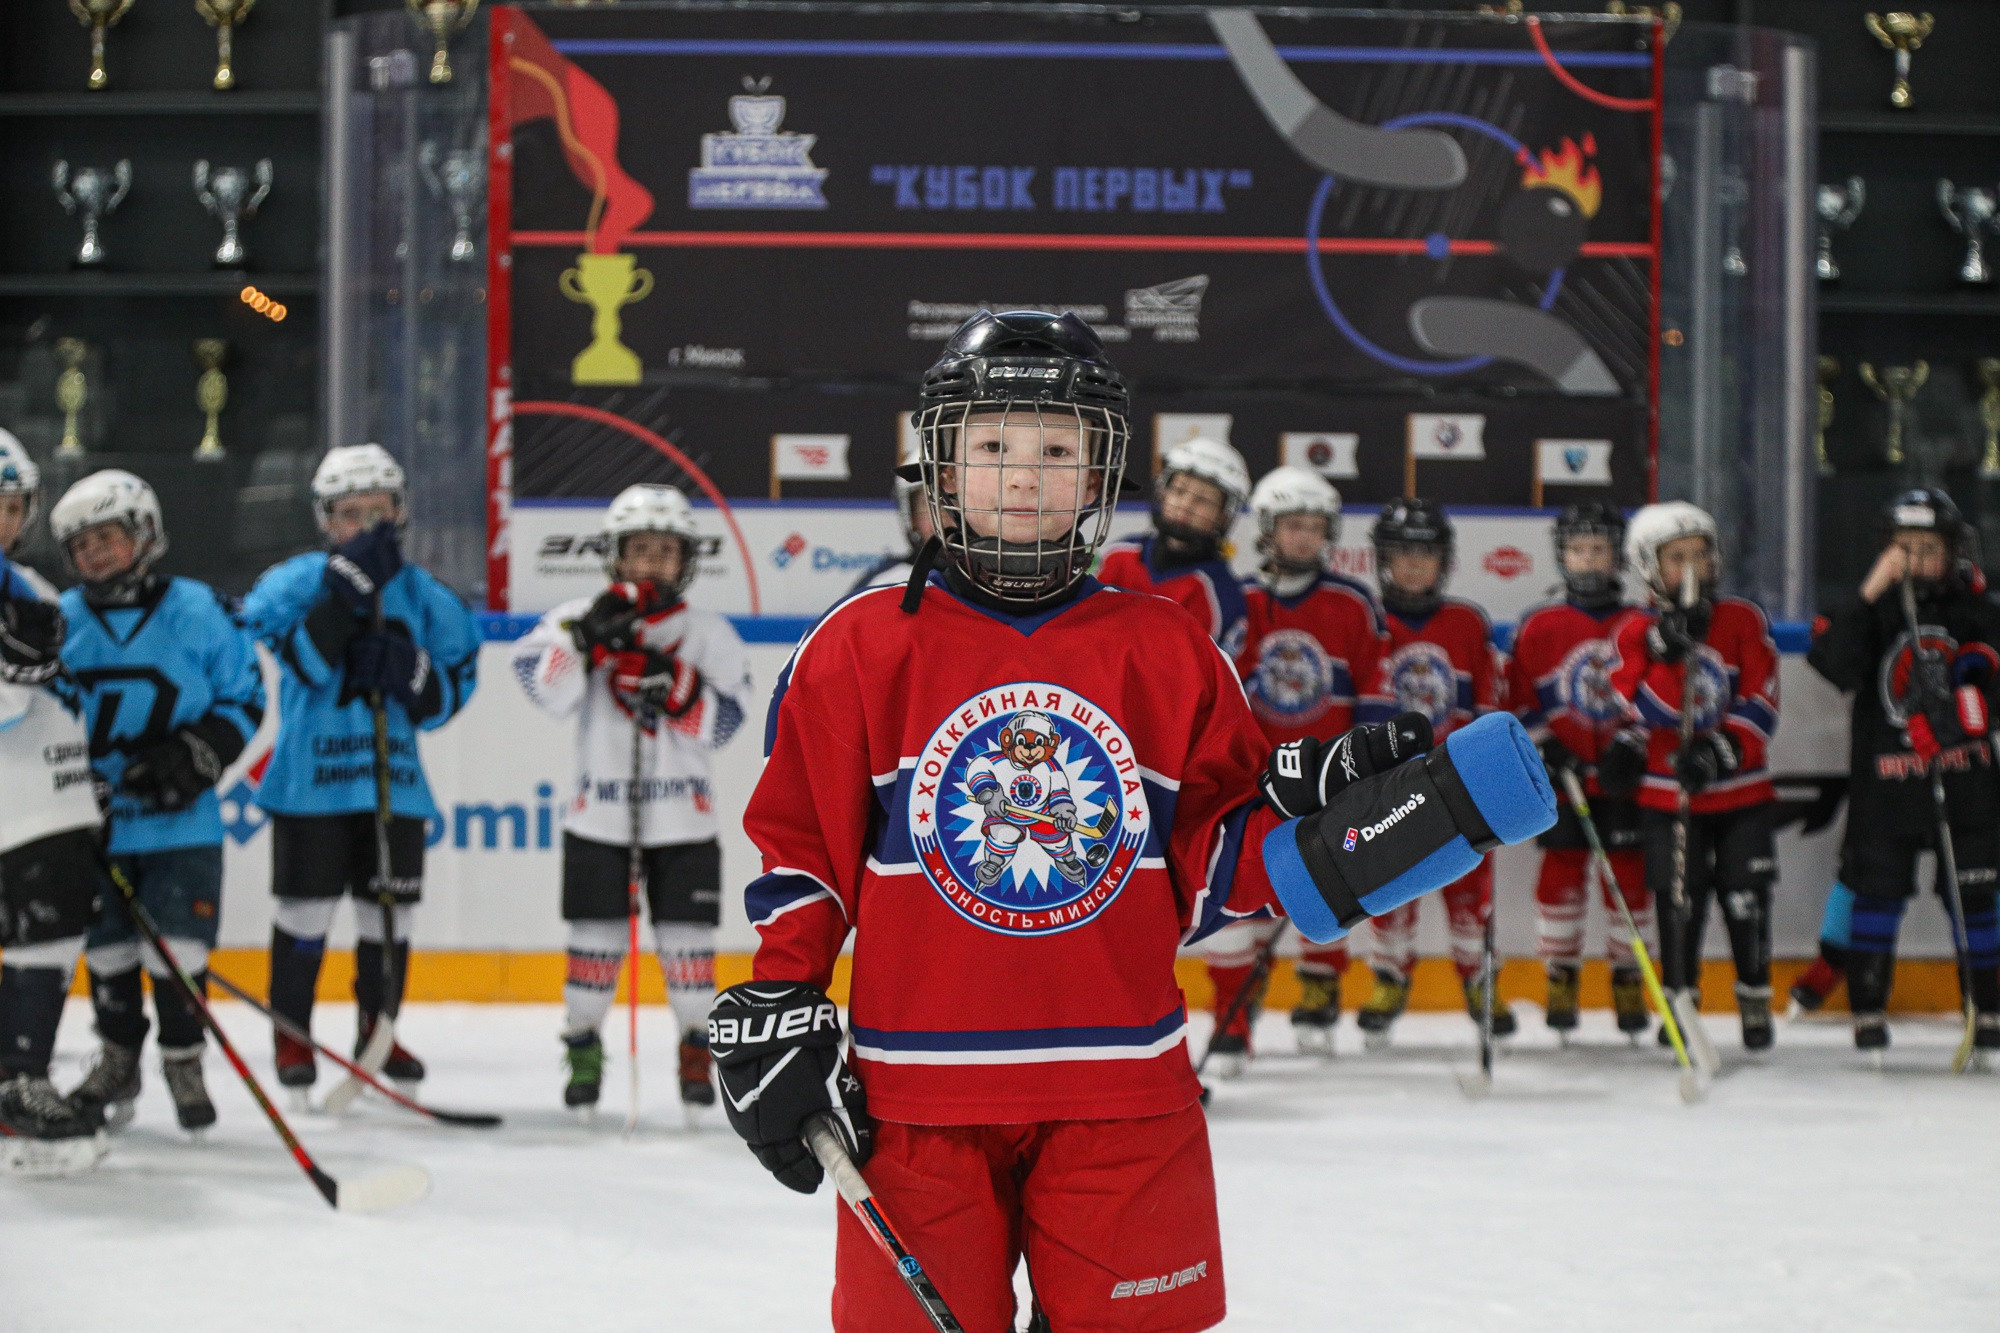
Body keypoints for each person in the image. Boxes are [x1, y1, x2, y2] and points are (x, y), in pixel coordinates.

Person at [705, 310, 1549, 1332]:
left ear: (1101, 471)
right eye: (992, 447)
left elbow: (1209, 863)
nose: (1024, 477)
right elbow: (803, 851)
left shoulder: (1167, 646)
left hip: (1126, 1097)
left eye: (1057, 451)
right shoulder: (858, 645)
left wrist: (1357, 834)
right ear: (941, 465)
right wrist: (783, 990)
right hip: (916, 1105)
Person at [237, 444, 479, 1094]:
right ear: (325, 519)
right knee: (305, 914)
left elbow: (451, 689)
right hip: (309, 787)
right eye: (350, 513)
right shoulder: (297, 583)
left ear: (400, 511)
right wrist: (342, 603)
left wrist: (415, 675)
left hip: (394, 784)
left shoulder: (424, 596)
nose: (366, 525)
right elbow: (297, 663)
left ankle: (379, 1028)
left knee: (387, 917)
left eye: (378, 511)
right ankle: (292, 1031)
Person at [510, 484, 752, 1110]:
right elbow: (543, 688)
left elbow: (726, 725)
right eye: (639, 549)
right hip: (599, 817)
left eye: (665, 552)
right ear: (615, 554)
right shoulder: (577, 615)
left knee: (690, 955)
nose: (651, 563)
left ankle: (696, 1051)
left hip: (685, 821)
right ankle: (583, 1047)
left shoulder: (709, 633)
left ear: (687, 560)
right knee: (593, 948)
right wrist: (583, 642)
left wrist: (678, 686)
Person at [54, 470, 264, 1132]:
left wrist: (196, 755)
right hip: (96, 826)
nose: (94, 555)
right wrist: (66, 780)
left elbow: (245, 697)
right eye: (81, 545)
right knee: (108, 952)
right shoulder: (61, 621)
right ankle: (119, 1058)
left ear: (144, 534)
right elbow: (41, 716)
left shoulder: (199, 610)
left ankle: (183, 1057)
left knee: (180, 949)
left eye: (107, 539)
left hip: (182, 823)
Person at [1803, 488, 2000, 1052]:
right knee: (1877, 893)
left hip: (1967, 785)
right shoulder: (1871, 611)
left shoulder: (1979, 613)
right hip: (1885, 787)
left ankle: (1986, 1006)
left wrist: (1968, 709)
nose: (1913, 561)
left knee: (1975, 896)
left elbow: (1992, 678)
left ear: (1953, 551)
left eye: (1927, 549)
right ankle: (1867, 1007)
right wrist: (1870, 590)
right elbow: (1832, 664)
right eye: (1902, 548)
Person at [1207, 466, 1385, 1066]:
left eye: (1315, 526)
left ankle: (1319, 990)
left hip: (1329, 781)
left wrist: (1363, 762)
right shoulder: (1240, 600)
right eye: (1292, 525)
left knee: (1325, 891)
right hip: (1252, 785)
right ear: (1266, 529)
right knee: (1235, 898)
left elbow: (1375, 690)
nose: (1304, 537)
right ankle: (1232, 1013)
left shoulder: (1352, 603)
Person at [1606, 501, 1780, 1051]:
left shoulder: (1743, 619)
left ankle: (1754, 996)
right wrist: (1667, 651)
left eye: (1699, 555)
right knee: (1679, 904)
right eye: (1676, 558)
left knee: (1746, 898)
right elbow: (1644, 708)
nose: (1691, 568)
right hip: (1668, 796)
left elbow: (1763, 700)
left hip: (1741, 793)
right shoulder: (1634, 631)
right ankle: (1681, 1000)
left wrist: (1721, 750)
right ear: (1648, 566)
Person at [1354, 498, 1513, 1043]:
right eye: (1402, 554)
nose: (1414, 566)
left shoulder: (1467, 622)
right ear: (1382, 560)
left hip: (1457, 785)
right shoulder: (1369, 621)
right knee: (1390, 887)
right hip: (1390, 788)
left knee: (1469, 892)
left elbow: (1487, 702)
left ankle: (1479, 978)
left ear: (1444, 561)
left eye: (1425, 555)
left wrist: (1488, 766)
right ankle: (1388, 978)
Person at [1508, 502, 1655, 1038]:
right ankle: (1561, 975)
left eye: (1599, 549)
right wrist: (1545, 746)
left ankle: (1629, 977)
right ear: (1561, 556)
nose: (1588, 560)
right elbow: (1518, 696)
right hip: (1562, 780)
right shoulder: (1539, 625)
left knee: (1629, 878)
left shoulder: (1642, 623)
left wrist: (1633, 743)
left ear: (1618, 557)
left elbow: (1660, 693)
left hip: (1624, 780)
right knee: (1560, 875)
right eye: (1577, 549)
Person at [0, 432, 107, 1157]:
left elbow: (56, 690)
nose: (6, 521)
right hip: (19, 802)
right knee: (43, 929)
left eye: (14, 507)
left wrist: (81, 769)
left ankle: (20, 1078)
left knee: (53, 930)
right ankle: (19, 1081)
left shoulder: (32, 589)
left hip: (45, 795)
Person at [1095, 434, 1251, 650]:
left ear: (1224, 515)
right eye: (1179, 490)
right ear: (1163, 491)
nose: (1185, 505)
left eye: (1203, 500)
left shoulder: (1222, 597)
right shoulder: (1118, 555)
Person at [846, 473, 936, 595]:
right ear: (912, 519)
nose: (944, 518)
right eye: (930, 505)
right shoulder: (884, 583)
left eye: (954, 500)